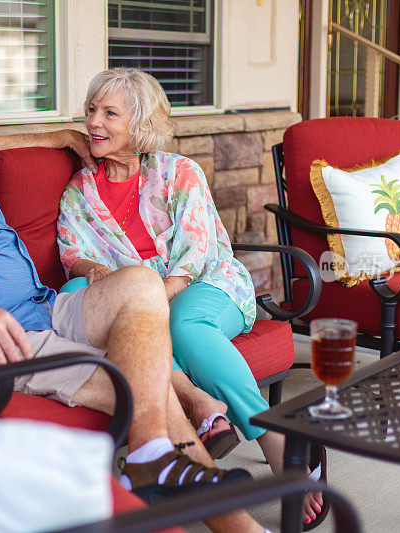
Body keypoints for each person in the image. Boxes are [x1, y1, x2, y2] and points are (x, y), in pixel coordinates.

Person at [0, 62, 269, 533]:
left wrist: (61, 136)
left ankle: (152, 457)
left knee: (140, 283)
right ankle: (233, 520)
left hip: (42, 310)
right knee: (151, 392)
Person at [56, 67, 324, 525]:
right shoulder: (81, 190)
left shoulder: (179, 172)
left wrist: (150, 302)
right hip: (134, 298)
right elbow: (71, 250)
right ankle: (196, 445)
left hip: (206, 285)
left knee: (181, 325)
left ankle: (271, 436)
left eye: (109, 113)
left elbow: (194, 255)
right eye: (90, 111)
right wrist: (91, 269)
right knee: (85, 300)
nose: (94, 123)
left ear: (139, 125)